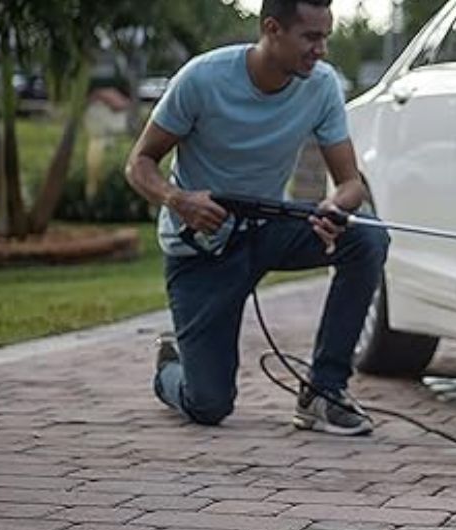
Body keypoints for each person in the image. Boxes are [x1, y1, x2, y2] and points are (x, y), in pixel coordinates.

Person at [125, 0, 386, 435]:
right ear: (272, 29)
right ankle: (171, 367)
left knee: (367, 239)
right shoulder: (202, 79)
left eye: (326, 37)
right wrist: (178, 199)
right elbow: (139, 163)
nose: (321, 51)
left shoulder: (320, 86)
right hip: (200, 246)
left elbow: (351, 184)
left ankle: (324, 392)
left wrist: (335, 207)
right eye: (311, 37)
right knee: (209, 405)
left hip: (268, 229)